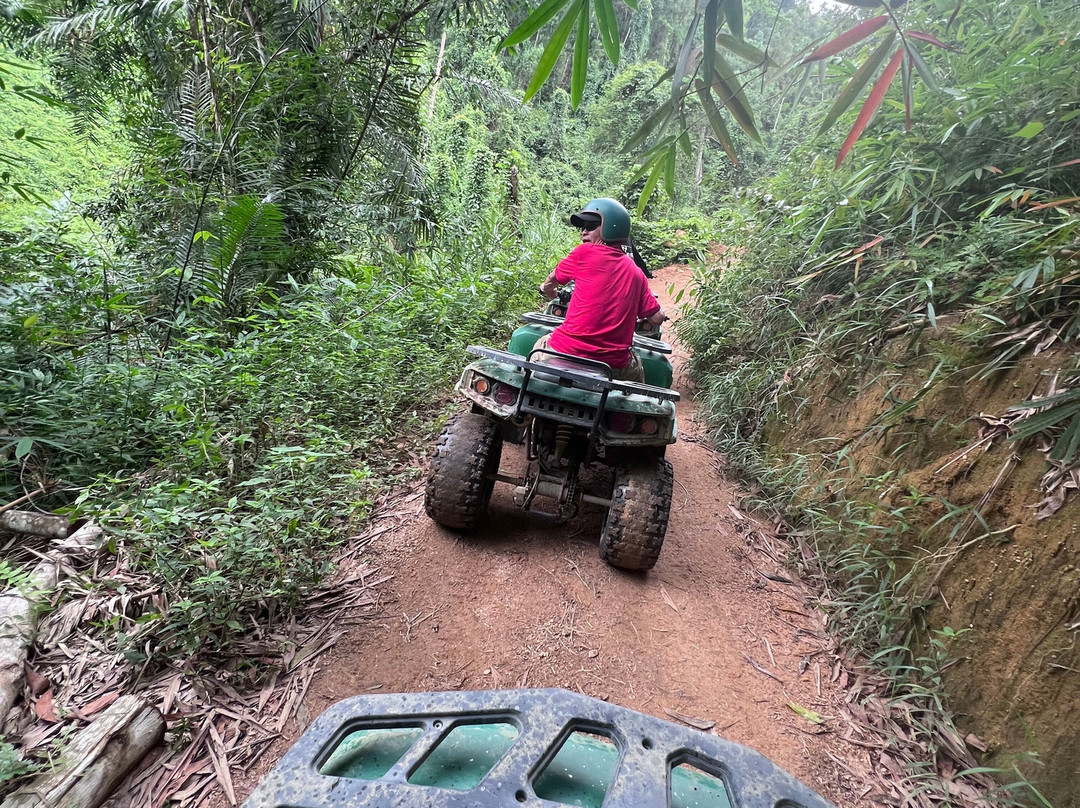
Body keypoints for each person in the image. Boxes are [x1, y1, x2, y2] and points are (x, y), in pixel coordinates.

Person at [536, 198, 665, 383]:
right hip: (613, 365)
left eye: (591, 225)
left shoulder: (582, 253)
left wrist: (549, 292)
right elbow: (656, 318)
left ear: (611, 227)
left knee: (539, 348)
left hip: (565, 351)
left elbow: (550, 281)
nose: (584, 231)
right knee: (637, 374)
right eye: (583, 226)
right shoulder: (637, 274)